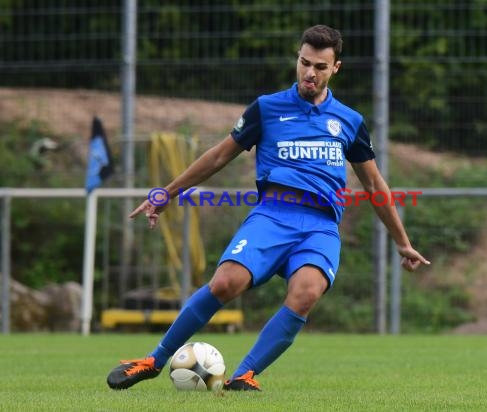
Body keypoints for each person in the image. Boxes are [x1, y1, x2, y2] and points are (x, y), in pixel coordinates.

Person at [106, 24, 429, 392]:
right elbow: (217, 157)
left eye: (320, 67)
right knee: (226, 283)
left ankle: (243, 375)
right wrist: (167, 193)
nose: (310, 73)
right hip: (273, 215)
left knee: (306, 293)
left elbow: (374, 185)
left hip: (320, 226)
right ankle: (153, 360)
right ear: (298, 59)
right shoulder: (267, 108)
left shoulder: (350, 121)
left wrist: (402, 241)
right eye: (304, 63)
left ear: (335, 68)